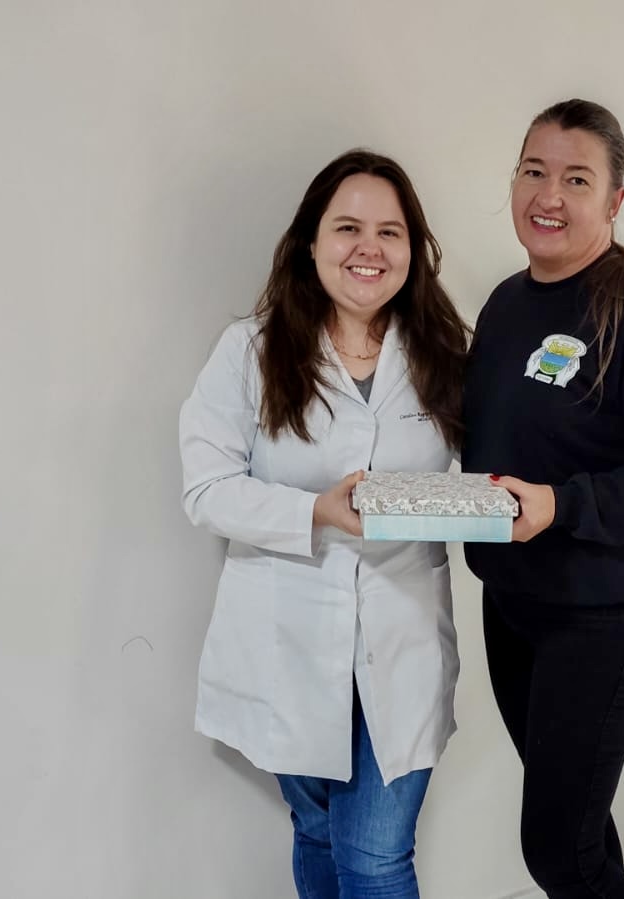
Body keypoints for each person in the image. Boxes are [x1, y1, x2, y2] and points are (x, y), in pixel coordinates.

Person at [179, 149, 470, 898]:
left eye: (389, 232)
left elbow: (493, 469)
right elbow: (207, 489)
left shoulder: (446, 353)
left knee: (374, 857)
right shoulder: (250, 351)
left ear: (414, 249)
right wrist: (315, 509)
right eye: (347, 228)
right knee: (315, 830)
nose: (369, 248)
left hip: (401, 638)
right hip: (287, 640)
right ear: (311, 242)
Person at [461, 99, 624, 898]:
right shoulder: (506, 304)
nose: (548, 195)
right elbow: (493, 429)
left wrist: (563, 505)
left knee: (557, 850)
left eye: (576, 179)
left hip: (602, 621)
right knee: (575, 833)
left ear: (614, 200)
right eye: (533, 171)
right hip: (512, 606)